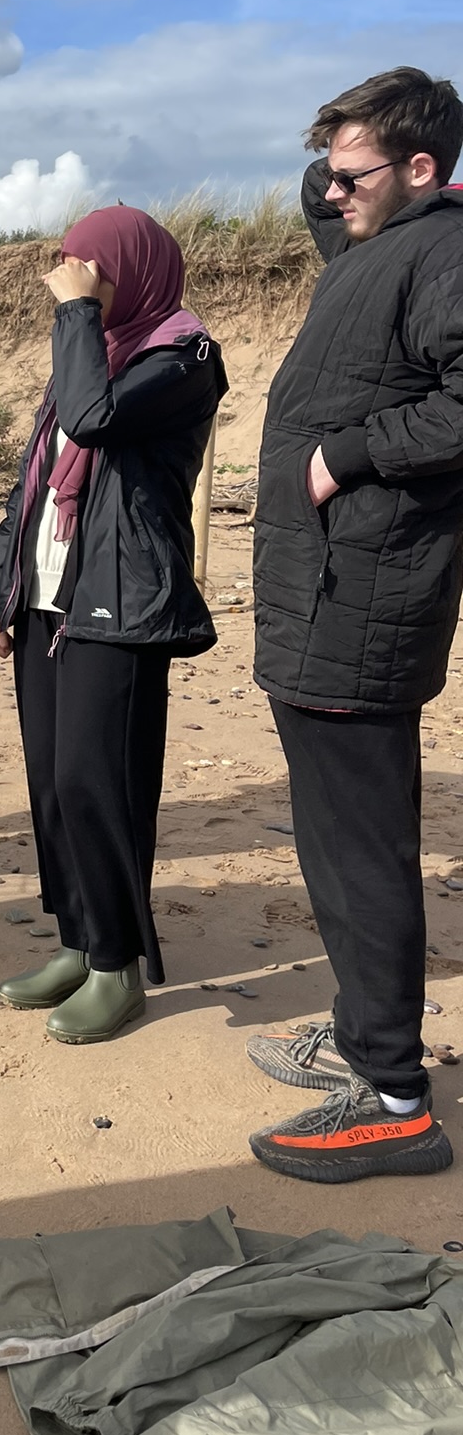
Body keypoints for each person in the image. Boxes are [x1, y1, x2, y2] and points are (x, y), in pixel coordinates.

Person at [246, 66, 463, 1182]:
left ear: (423, 169)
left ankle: (392, 1095)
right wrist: (343, 154)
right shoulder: (376, 237)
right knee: (337, 839)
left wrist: (345, 456)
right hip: (324, 588)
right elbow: (312, 185)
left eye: (352, 174)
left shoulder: (440, 246)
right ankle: (364, 1026)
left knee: (363, 846)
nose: (329, 191)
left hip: (365, 594)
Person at [0, 207, 226, 1043]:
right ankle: (78, 941)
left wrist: (77, 313)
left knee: (98, 778)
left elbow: (94, 420)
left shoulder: (185, 353)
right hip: (51, 592)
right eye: (69, 268)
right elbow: (38, 476)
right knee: (50, 779)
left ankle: (118, 965)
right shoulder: (91, 353)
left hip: (123, 600)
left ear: (134, 270)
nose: (75, 281)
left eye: (94, 269)